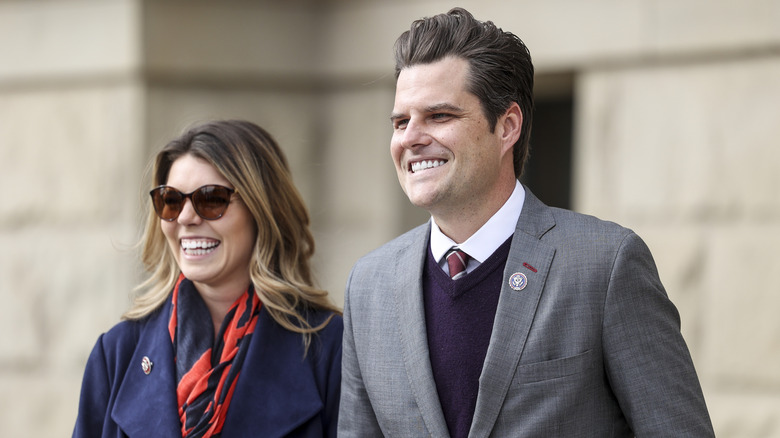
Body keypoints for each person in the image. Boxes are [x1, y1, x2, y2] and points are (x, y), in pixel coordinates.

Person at [338, 7, 714, 437]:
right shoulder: (368, 286)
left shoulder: (605, 265)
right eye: (401, 121)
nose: (410, 137)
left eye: (439, 116)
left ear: (508, 126)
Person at [73, 120, 342, 437]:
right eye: (171, 200)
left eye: (212, 199)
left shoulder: (330, 349)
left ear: (262, 210)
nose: (186, 217)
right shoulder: (117, 353)